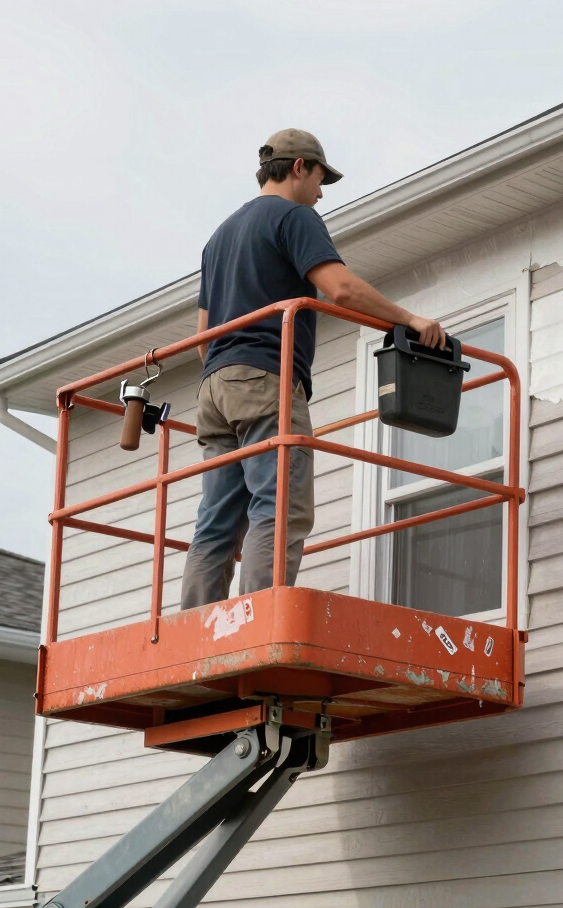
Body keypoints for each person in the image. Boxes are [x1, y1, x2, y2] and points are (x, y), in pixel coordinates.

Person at [180, 129, 446, 610]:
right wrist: (410, 319)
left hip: (213, 387)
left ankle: (195, 631)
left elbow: (203, 331)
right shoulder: (294, 216)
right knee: (279, 508)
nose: (321, 195)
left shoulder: (218, 237)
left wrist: (229, 371)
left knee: (217, 518)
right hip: (264, 379)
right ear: (299, 167)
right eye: (321, 179)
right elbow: (341, 289)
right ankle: (258, 624)